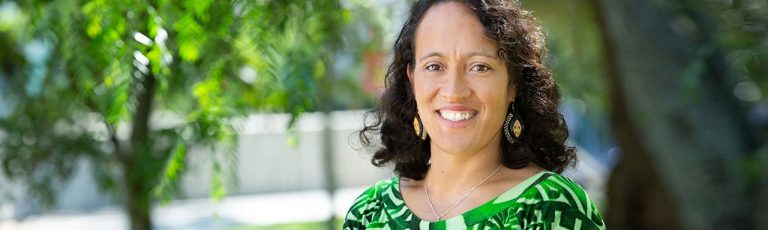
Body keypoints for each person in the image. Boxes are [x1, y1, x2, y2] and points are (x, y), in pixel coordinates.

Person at [344, 0, 606, 229]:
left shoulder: (550, 208)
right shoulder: (370, 212)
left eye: (479, 67)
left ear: (513, 84)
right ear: (412, 80)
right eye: (435, 66)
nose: (454, 91)